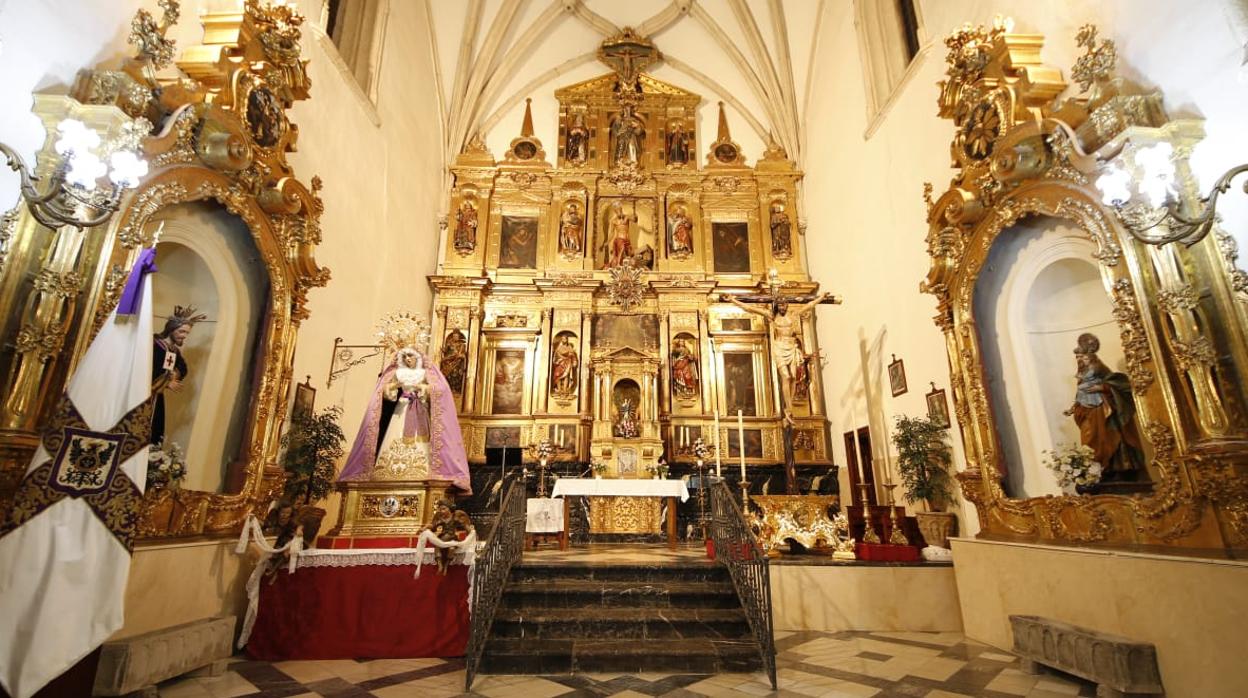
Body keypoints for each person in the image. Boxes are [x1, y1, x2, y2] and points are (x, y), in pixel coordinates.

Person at [338, 348, 473, 493]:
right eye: (405, 356)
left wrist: (421, 387)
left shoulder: (425, 373)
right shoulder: (397, 373)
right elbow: (385, 392)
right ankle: (387, 472)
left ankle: (420, 471)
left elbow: (440, 390)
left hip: (419, 410)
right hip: (400, 411)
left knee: (420, 440)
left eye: (411, 356)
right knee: (395, 434)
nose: (408, 359)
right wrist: (395, 385)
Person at [722, 292, 832, 422]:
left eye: (784, 305)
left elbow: (809, 305)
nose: (782, 307)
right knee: (786, 376)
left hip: (791, 347)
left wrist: (821, 297)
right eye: (780, 305)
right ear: (777, 306)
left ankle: (788, 407)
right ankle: (789, 409)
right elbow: (749, 308)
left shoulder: (793, 315)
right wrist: (733, 300)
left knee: (793, 377)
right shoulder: (772, 316)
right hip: (779, 347)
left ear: (787, 305)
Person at [1063, 333, 1146, 481]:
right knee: (1090, 439)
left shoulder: (1099, 367)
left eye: (1082, 357)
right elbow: (1080, 394)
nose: (1080, 359)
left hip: (1103, 410)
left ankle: (1117, 468)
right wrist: (1073, 407)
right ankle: (1097, 470)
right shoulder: (1082, 375)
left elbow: (1118, 383)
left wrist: (1102, 388)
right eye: (1078, 357)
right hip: (1087, 411)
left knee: (1108, 437)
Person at [151, 305, 206, 447]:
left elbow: (182, 368)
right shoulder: (154, 344)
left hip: (157, 396)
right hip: (144, 395)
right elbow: (148, 368)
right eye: (181, 331)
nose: (184, 336)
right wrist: (166, 382)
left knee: (154, 432)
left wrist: (173, 375)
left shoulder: (174, 350)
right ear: (171, 329)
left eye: (187, 333)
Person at [606, 202, 635, 267]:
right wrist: (607, 242)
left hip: (627, 239)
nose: (619, 211)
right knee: (622, 249)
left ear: (621, 209)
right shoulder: (613, 220)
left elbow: (634, 219)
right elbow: (612, 232)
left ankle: (624, 265)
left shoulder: (627, 217)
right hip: (619, 239)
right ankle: (618, 264)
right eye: (617, 210)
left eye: (619, 209)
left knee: (629, 254)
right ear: (615, 211)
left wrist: (634, 210)